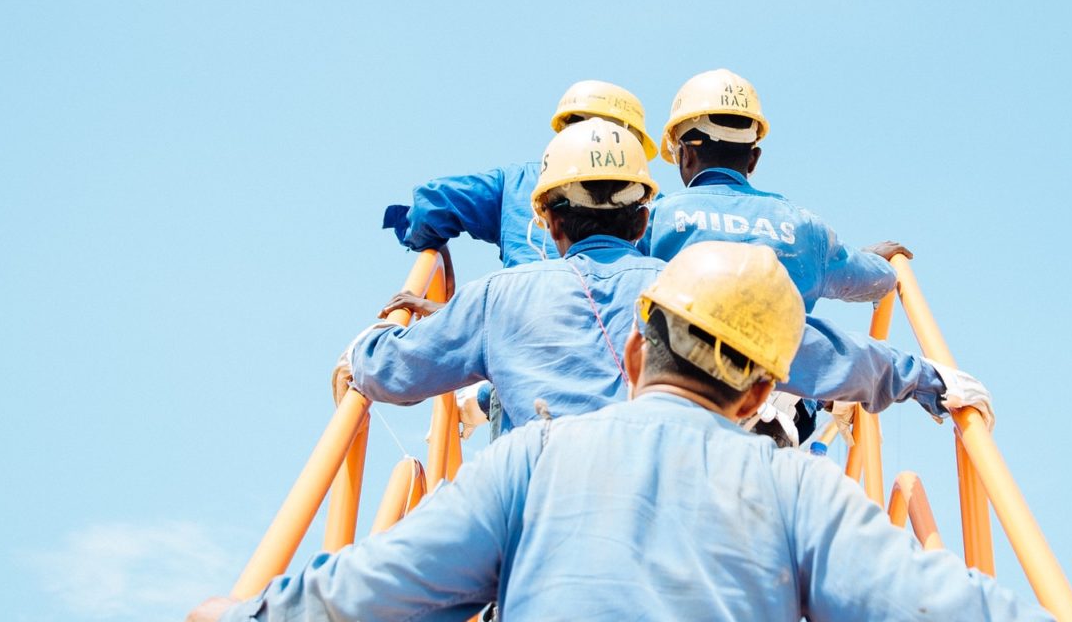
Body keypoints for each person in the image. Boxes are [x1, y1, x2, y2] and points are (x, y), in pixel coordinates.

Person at [176, 242, 1072, 622]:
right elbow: (927, 616)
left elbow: (380, 595)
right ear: (759, 392)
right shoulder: (800, 488)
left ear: (639, 351)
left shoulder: (529, 462)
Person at [335, 119, 993, 435]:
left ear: (548, 218)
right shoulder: (699, 290)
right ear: (644, 208)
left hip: (540, 543)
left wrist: (381, 332)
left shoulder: (496, 298)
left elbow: (387, 372)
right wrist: (926, 378)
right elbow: (818, 350)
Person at [645, 68, 905, 312]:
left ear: (686, 154)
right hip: (781, 360)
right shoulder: (805, 227)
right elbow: (877, 280)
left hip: (679, 358)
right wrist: (873, 260)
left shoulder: (655, 219)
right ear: (753, 158)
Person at [381, 79, 658, 268]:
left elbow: (431, 206)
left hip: (518, 328)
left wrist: (431, 245)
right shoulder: (649, 204)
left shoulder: (514, 184)